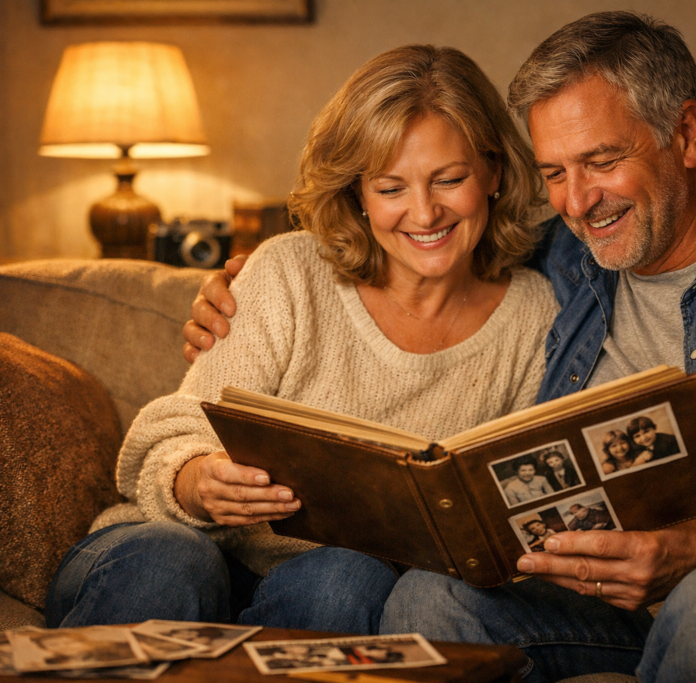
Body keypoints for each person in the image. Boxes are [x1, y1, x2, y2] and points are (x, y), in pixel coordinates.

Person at [184, 12, 696, 683]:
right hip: (598, 597)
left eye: (602, 162)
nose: (578, 201)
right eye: (554, 172)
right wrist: (256, 275)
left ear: (686, 133)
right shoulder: (564, 253)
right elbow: (430, 232)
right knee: (429, 596)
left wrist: (687, 549)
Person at [45, 44, 558, 637]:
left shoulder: (533, 316)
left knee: (345, 578)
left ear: (493, 173)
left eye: (449, 179)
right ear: (357, 194)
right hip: (163, 549)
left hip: (325, 589)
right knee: (173, 561)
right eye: (391, 188)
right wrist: (196, 480)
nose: (424, 213)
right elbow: (171, 433)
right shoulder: (290, 272)